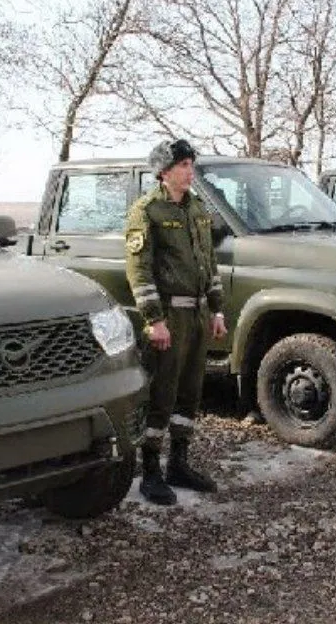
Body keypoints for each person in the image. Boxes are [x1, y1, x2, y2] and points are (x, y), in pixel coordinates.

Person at [125, 139, 227, 505]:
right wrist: (155, 320)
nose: (190, 171)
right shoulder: (147, 211)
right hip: (170, 316)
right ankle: (150, 470)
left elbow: (209, 265)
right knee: (162, 393)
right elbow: (139, 271)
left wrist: (217, 310)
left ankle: (179, 463)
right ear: (164, 171)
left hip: (198, 314)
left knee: (190, 391)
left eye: (190, 164)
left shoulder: (197, 209)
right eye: (183, 164)